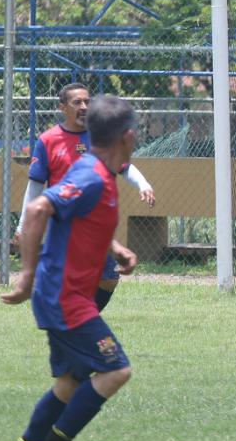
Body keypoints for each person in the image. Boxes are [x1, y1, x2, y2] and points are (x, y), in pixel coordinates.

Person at [0, 95, 141, 441]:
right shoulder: (91, 176)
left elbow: (81, 220)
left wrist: (114, 248)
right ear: (127, 137)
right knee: (116, 370)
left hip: (64, 292)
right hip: (64, 296)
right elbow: (39, 208)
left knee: (69, 383)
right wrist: (26, 275)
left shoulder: (96, 174)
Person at [25, 82, 156, 313]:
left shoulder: (99, 138)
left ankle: (79, 316)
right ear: (63, 107)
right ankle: (73, 316)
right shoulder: (48, 140)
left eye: (87, 101)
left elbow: (124, 167)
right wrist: (21, 225)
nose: (84, 106)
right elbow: (35, 187)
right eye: (77, 102)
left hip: (95, 225)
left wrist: (143, 184)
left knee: (108, 278)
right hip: (64, 224)